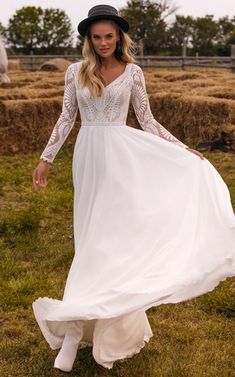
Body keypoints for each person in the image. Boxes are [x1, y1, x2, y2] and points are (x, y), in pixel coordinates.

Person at [32, 4, 235, 373]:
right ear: (88, 39)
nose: (104, 42)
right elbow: (67, 118)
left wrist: (180, 147)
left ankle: (90, 325)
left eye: (110, 36)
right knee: (90, 238)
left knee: (115, 240)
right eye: (97, 37)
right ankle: (76, 329)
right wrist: (47, 158)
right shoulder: (76, 72)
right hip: (89, 159)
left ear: (119, 37)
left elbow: (147, 120)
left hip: (124, 159)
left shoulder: (133, 72)